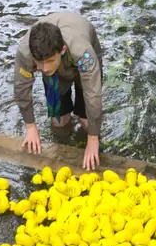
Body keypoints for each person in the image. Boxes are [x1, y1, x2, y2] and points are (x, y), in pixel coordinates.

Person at [14, 12, 105, 171]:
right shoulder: (26, 52)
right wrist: (30, 127)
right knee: (59, 122)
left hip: (81, 58)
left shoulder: (83, 52)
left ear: (62, 50)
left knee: (86, 121)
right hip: (56, 71)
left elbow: (93, 95)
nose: (45, 68)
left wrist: (93, 138)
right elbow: (21, 88)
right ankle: (65, 143)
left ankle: (89, 141)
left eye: (49, 61)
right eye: (39, 63)